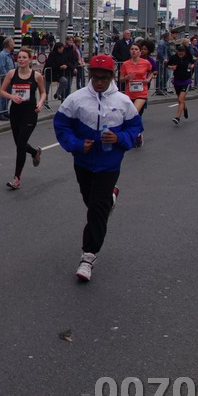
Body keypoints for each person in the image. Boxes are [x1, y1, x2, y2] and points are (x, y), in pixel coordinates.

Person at [54, 54, 142, 283]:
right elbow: (61, 125)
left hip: (109, 165)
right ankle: (110, 198)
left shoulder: (123, 101)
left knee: (97, 210)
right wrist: (77, 145)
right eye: (96, 78)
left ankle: (88, 256)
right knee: (90, 201)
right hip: (83, 163)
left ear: (112, 77)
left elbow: (135, 129)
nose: (100, 82)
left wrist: (119, 138)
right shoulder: (76, 99)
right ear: (90, 76)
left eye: (104, 78)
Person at [0, 47, 47, 190]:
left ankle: (16, 179)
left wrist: (40, 103)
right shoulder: (11, 73)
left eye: (24, 57)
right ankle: (35, 152)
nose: (21, 60)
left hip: (30, 113)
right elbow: (2, 91)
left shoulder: (36, 76)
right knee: (19, 143)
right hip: (15, 113)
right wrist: (12, 96)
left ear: (30, 59)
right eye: (19, 57)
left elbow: (43, 92)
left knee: (20, 145)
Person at [119, 43, 152, 147]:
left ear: (139, 52)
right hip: (130, 93)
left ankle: (136, 134)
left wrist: (148, 79)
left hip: (142, 92)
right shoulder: (125, 64)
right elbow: (120, 79)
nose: (133, 51)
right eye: (132, 49)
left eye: (136, 49)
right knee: (136, 115)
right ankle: (138, 133)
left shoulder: (145, 63)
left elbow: (152, 72)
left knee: (134, 112)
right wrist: (126, 77)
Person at [166, 43, 194, 125]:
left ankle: (177, 117)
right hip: (177, 80)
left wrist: (191, 66)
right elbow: (168, 65)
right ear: (177, 52)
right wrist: (172, 67)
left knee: (180, 99)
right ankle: (184, 108)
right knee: (180, 98)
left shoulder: (188, 57)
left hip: (186, 80)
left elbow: (192, 63)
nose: (180, 55)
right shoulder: (174, 57)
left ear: (185, 52)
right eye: (179, 53)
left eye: (182, 53)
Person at [0, 37, 15, 120]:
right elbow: (1, 67)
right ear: (9, 44)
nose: (14, 44)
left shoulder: (9, 54)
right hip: (6, 78)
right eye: (13, 42)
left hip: (10, 78)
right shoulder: (3, 54)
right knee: (4, 96)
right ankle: (0, 113)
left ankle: (5, 111)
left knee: (8, 95)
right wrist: (7, 77)